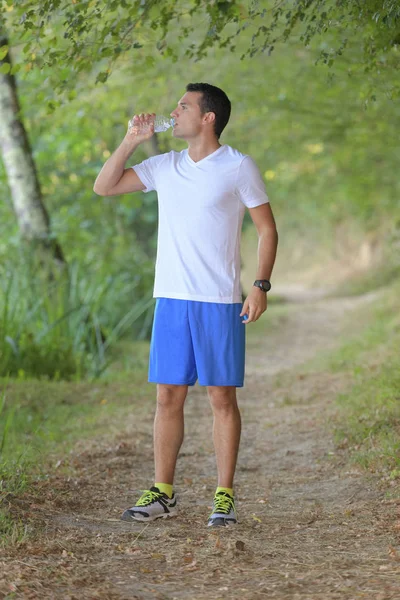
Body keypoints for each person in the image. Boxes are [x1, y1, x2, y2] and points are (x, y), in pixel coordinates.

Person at [93, 82, 278, 527]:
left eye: (183, 106)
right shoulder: (164, 166)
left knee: (221, 399)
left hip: (218, 300)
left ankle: (224, 496)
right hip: (172, 298)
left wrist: (259, 286)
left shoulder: (237, 166)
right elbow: (104, 186)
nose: (173, 112)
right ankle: (163, 492)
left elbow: (267, 230)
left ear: (208, 117)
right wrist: (130, 140)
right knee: (167, 397)